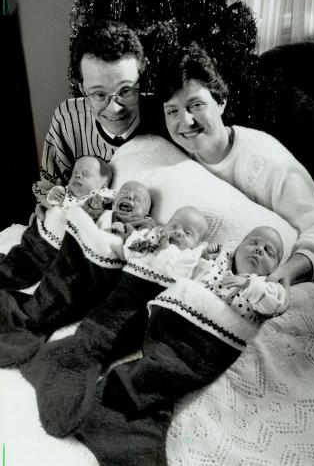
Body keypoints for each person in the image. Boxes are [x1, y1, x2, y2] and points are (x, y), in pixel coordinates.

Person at [66, 226, 288, 466]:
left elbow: (275, 303)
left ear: (274, 270)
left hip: (212, 346)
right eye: (254, 242)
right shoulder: (214, 263)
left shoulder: (266, 289)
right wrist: (201, 252)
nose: (259, 250)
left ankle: (110, 415)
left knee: (168, 382)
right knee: (160, 364)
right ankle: (110, 402)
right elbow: (179, 271)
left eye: (269, 251)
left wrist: (250, 284)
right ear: (238, 247)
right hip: (175, 322)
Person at [20, 206, 209, 438]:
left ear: (198, 244)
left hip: (147, 314)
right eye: (174, 226)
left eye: (188, 232)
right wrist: (145, 241)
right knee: (98, 330)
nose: (178, 233)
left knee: (119, 342)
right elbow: (127, 250)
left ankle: (64, 363)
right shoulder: (148, 238)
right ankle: (68, 361)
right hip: (123, 294)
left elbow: (191, 280)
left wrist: (193, 255)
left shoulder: (188, 259)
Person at [156, 42, 314, 291]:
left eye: (196, 105)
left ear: (221, 101)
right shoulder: (174, 152)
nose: (185, 121)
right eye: (173, 111)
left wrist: (287, 273)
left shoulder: (268, 161)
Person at [0, 180, 154, 367]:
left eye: (137, 198)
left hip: (101, 273)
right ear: (113, 201)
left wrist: (130, 240)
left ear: (146, 213)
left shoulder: (145, 227)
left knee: (60, 301)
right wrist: (91, 210)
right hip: (76, 258)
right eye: (124, 193)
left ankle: (29, 319)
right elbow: (75, 227)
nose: (129, 197)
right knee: (54, 284)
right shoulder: (104, 213)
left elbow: (142, 256)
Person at [33, 20, 163, 218]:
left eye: (126, 90)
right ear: (82, 88)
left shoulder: (166, 115)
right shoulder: (67, 119)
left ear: (141, 74)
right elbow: (48, 187)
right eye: (99, 95)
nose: (115, 108)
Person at [0, 155, 114, 290]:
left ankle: (10, 276)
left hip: (57, 247)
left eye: (86, 174)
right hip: (38, 235)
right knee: (22, 253)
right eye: (75, 173)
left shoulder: (96, 200)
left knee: (30, 267)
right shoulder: (63, 191)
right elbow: (49, 200)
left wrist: (99, 198)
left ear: (102, 186)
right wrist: (53, 197)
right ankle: (7, 268)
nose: (78, 176)